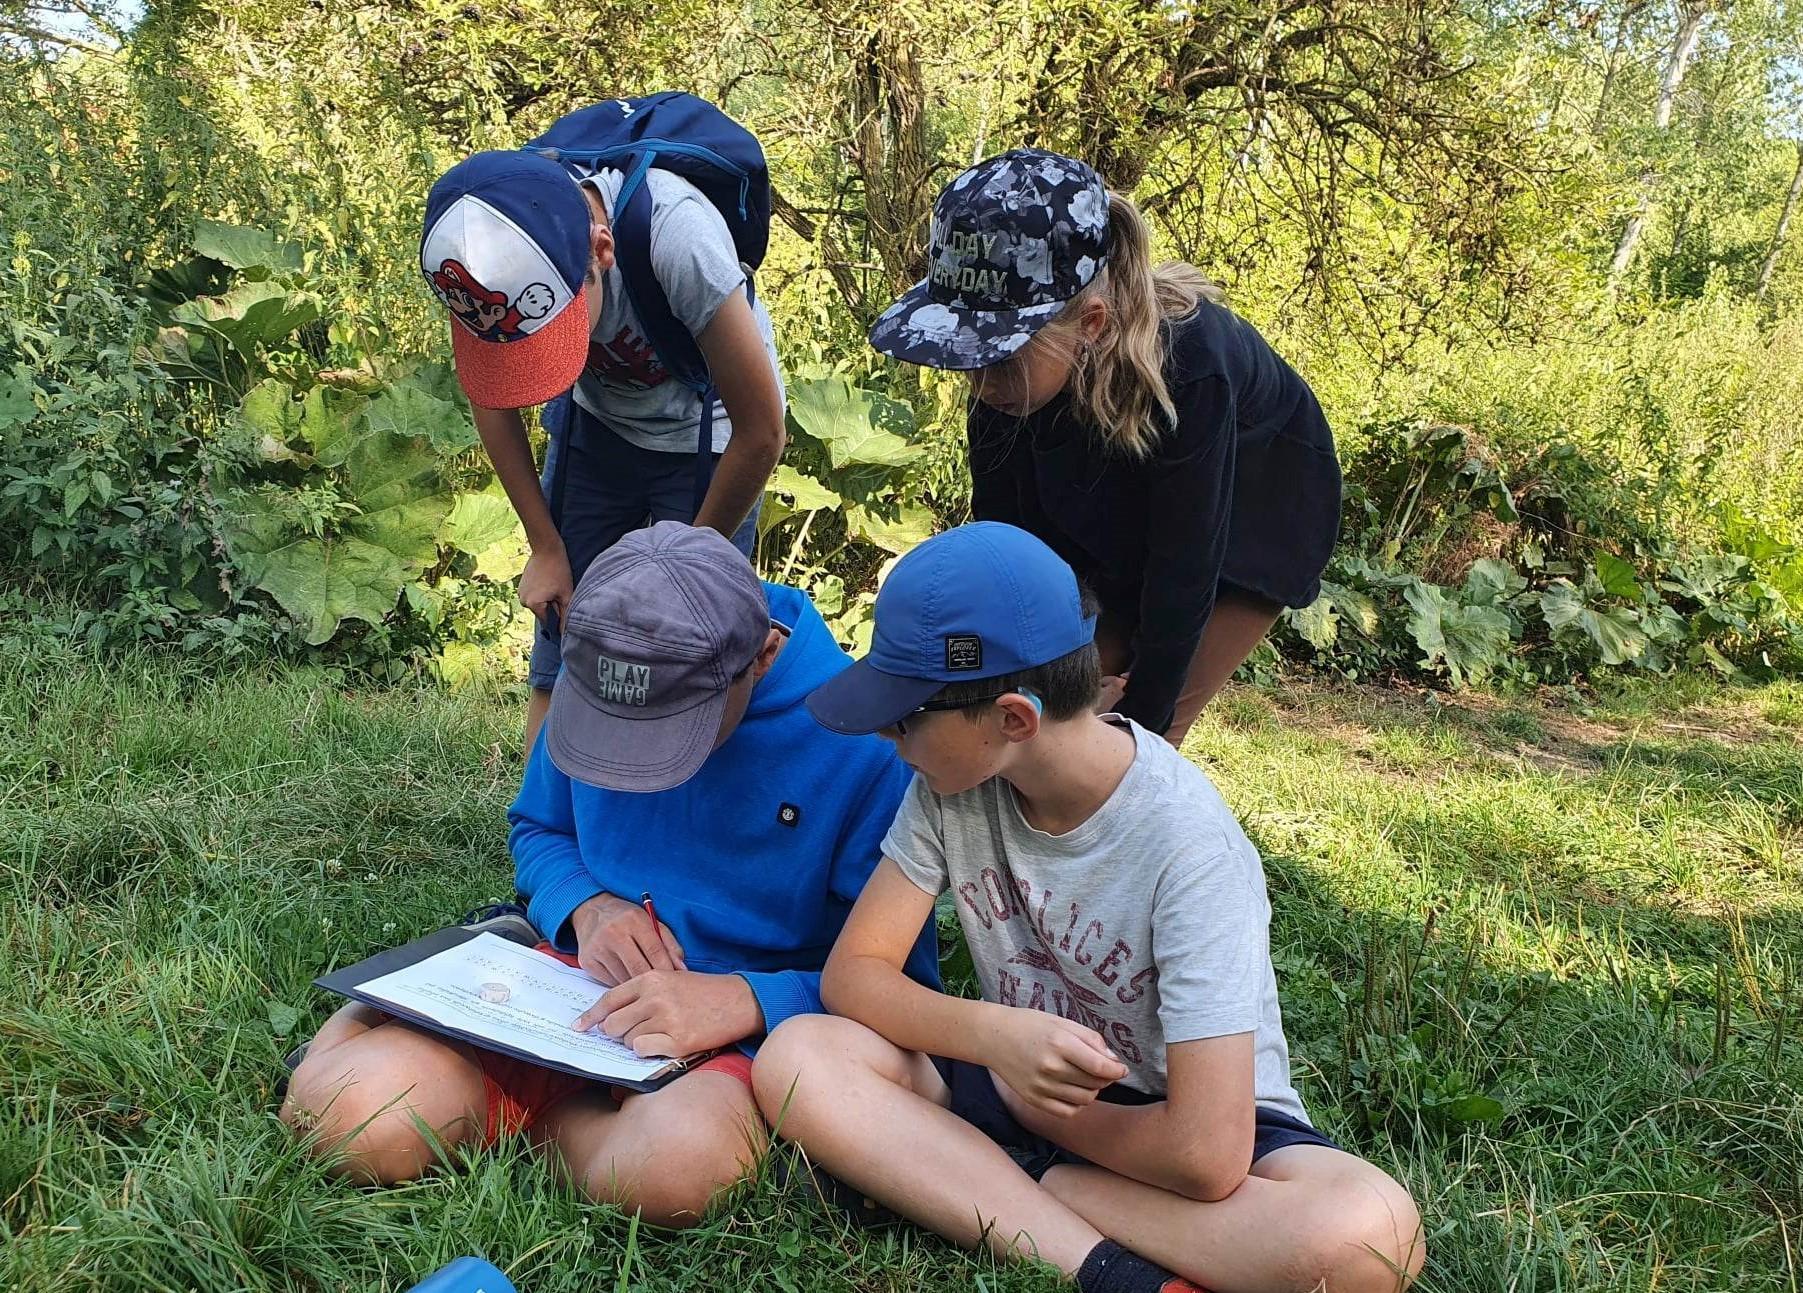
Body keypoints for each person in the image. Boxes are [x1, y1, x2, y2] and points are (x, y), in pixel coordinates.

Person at [753, 523, 1423, 1292]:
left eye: (905, 717)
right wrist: (995, 1036)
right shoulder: (951, 789)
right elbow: (855, 975)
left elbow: (1207, 1156)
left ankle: (994, 1182)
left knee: (1369, 1232)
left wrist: (1041, 1124)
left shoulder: (1186, 843)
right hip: (1015, 1075)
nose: (886, 736)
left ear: (1013, 719)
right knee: (801, 1056)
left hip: (1176, 1124)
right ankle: (1115, 1271)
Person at [281, 522, 937, 1226]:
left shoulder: (866, 750)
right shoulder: (600, 667)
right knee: (347, 1120)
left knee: (675, 1170)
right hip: (565, 984)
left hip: (729, 1036)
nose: (632, 759)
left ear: (755, 661)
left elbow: (894, 983)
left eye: (665, 731)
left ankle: (511, 1114)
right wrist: (586, 904)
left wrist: (748, 999)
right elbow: (539, 827)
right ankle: (525, 1091)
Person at [867, 150, 1342, 746]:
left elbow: (1184, 571)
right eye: (966, 356)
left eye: (1001, 358)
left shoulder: (1192, 365)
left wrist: (1139, 734)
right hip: (1114, 496)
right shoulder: (1007, 385)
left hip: (1255, 515)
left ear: (1090, 324)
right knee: (1058, 697)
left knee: (1130, 733)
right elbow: (1010, 549)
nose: (981, 383)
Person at [420, 132, 786, 750]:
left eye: (551, 335)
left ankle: (675, 793)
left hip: (709, 439)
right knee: (563, 631)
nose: (535, 359)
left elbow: (763, 431)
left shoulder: (677, 236)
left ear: (601, 249)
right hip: (598, 428)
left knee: (692, 645)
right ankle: (543, 803)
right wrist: (545, 545)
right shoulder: (481, 257)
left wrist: (687, 569)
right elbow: (491, 395)